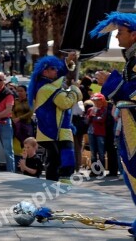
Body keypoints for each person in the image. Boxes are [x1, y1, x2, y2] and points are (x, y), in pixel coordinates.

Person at [28, 54, 80, 182]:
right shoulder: (47, 88)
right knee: (56, 160)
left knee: (59, 159)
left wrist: (67, 61)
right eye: (53, 68)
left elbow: (59, 73)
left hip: (55, 130)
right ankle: (53, 184)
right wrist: (75, 90)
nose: (56, 71)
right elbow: (65, 102)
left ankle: (59, 184)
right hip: (51, 131)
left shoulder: (46, 85)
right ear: (45, 71)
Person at [11, 84, 34, 170]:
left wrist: (19, 118)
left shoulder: (30, 101)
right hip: (16, 127)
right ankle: (18, 165)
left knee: (27, 145)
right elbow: (12, 111)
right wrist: (14, 119)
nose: (19, 93)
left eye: (21, 91)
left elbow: (31, 112)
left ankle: (28, 165)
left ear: (26, 92)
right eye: (18, 91)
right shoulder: (15, 101)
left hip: (27, 126)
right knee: (17, 146)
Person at [86, 93, 108, 177]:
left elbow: (102, 119)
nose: (96, 102)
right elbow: (86, 121)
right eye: (94, 100)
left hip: (100, 133)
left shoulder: (104, 110)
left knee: (101, 152)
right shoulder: (90, 109)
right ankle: (93, 170)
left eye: (98, 100)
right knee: (93, 153)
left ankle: (101, 170)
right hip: (91, 132)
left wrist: (94, 117)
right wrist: (91, 116)